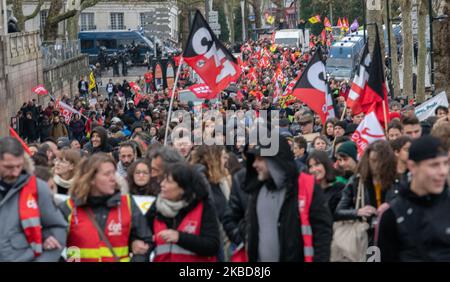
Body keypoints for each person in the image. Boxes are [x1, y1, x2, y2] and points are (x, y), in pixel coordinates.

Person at [243, 132, 333, 262]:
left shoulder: (306, 186)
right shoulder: (256, 190)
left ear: (275, 160)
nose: (254, 164)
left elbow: (322, 233)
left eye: (260, 159)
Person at [59, 153, 152, 262]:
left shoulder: (127, 203)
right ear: (91, 178)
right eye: (107, 174)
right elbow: (51, 247)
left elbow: (145, 242)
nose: (113, 178)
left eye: (114, 173)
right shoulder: (69, 207)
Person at [377, 136, 450, 261]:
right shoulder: (392, 215)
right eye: (434, 165)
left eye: (445, 163)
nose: (442, 171)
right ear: (412, 166)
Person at [0, 137, 67, 262]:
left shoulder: (38, 188)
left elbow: (57, 228)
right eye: (8, 167)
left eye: (18, 166)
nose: (15, 172)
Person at [146, 163, 220, 262]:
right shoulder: (156, 207)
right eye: (163, 180)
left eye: (168, 181)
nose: (162, 184)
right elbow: (142, 237)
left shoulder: (203, 207)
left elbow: (212, 245)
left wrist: (179, 237)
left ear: (183, 189)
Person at [335, 140, 399, 245]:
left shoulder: (397, 180)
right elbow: (339, 211)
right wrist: (358, 212)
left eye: (381, 161)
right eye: (373, 160)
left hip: (393, 236)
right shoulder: (357, 181)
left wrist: (391, 205)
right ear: (367, 160)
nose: (377, 165)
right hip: (367, 237)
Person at [190, 145, 231, 261]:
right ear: (213, 159)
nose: (226, 160)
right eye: (223, 157)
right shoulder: (201, 181)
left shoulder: (217, 180)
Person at [307, 151, 346, 215]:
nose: (313, 169)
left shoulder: (339, 189)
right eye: (310, 166)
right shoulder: (309, 192)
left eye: (317, 164)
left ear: (326, 165)